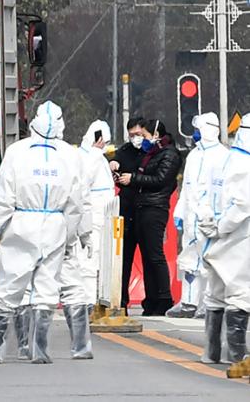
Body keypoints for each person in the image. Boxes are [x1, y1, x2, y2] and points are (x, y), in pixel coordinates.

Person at [0, 101, 82, 365]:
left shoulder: (17, 152)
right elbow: (76, 203)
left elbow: (3, 199)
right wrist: (69, 238)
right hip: (55, 224)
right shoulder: (70, 155)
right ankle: (40, 350)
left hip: (22, 223)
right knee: (47, 288)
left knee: (11, 286)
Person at [49, 119, 115, 360]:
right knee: (89, 261)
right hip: (95, 215)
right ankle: (87, 303)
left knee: (91, 261)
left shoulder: (82, 155)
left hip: (95, 214)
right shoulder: (93, 158)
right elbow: (82, 188)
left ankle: (88, 303)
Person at [111, 116, 179, 316]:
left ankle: (161, 299)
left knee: (153, 255)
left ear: (154, 135)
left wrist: (133, 179)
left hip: (152, 207)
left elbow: (161, 179)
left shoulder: (166, 154)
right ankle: (129, 301)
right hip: (135, 209)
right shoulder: (143, 153)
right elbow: (117, 157)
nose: (138, 139)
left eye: (142, 135)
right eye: (132, 135)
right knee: (127, 257)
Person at [198, 121, 250, 372]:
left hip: (215, 236)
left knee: (215, 293)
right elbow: (242, 206)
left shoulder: (223, 160)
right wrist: (222, 226)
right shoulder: (245, 165)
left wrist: (209, 223)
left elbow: (204, 194)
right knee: (240, 294)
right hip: (238, 237)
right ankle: (238, 355)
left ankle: (210, 351)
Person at [170, 112, 227, 319]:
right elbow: (186, 187)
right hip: (191, 218)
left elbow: (222, 190)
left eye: (198, 129)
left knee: (209, 262)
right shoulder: (194, 156)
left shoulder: (222, 156)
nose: (195, 134)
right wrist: (180, 212)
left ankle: (208, 303)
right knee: (188, 261)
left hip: (210, 219)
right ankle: (188, 301)